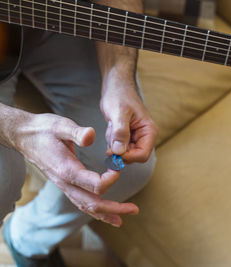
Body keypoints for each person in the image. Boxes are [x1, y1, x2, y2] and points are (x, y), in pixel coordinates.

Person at [0, 0, 157, 265]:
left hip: (58, 15)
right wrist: (14, 129)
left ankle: (26, 238)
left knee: (128, 169)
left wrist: (118, 75)